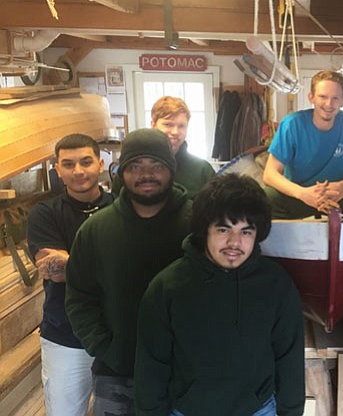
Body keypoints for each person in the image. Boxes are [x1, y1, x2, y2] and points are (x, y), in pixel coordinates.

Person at [134, 173, 305, 416]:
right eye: (224, 229)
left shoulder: (277, 284)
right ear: (205, 230)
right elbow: (151, 366)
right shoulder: (167, 287)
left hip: (258, 410)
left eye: (246, 231)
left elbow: (289, 358)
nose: (235, 242)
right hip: (187, 410)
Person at [65, 128, 192, 415]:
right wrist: (106, 348)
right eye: (135, 166)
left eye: (155, 166)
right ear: (122, 172)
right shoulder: (96, 230)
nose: (146, 175)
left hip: (186, 373)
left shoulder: (197, 224)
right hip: (117, 372)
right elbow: (79, 297)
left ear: (170, 169)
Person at [27, 134, 114, 416]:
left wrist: (71, 262)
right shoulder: (44, 213)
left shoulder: (121, 208)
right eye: (69, 164)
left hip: (117, 334)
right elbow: (54, 271)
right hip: (65, 336)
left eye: (86, 162)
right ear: (57, 169)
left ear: (101, 163)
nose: (78, 171)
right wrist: (114, 265)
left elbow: (67, 268)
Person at [263, 70, 343, 219]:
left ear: (342, 101)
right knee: (265, 198)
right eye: (323, 97)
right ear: (311, 97)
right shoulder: (292, 124)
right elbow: (269, 175)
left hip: (336, 195)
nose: (329, 104)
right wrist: (303, 194)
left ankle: (341, 233)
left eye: (335, 98)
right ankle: (292, 234)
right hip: (300, 196)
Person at [112, 96, 215, 199]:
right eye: (168, 125)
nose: (175, 132)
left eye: (181, 126)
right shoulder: (130, 169)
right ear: (153, 125)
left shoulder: (203, 170)